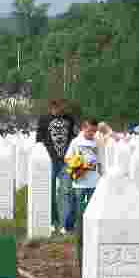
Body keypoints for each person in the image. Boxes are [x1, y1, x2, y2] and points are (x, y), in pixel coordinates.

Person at [64, 119, 101, 277]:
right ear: (83, 128)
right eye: (89, 131)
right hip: (80, 185)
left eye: (94, 131)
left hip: (94, 184)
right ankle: (80, 242)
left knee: (92, 216)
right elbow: (67, 158)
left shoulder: (97, 143)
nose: (91, 134)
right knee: (81, 216)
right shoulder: (76, 142)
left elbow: (100, 163)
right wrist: (77, 165)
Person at [37, 99, 76, 234]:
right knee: (50, 191)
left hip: (66, 160)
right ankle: (52, 221)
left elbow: (72, 137)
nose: (60, 110)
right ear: (52, 108)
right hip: (50, 160)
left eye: (62, 108)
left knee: (67, 191)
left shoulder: (69, 119)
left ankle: (65, 224)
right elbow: (39, 139)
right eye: (57, 108)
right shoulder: (44, 119)